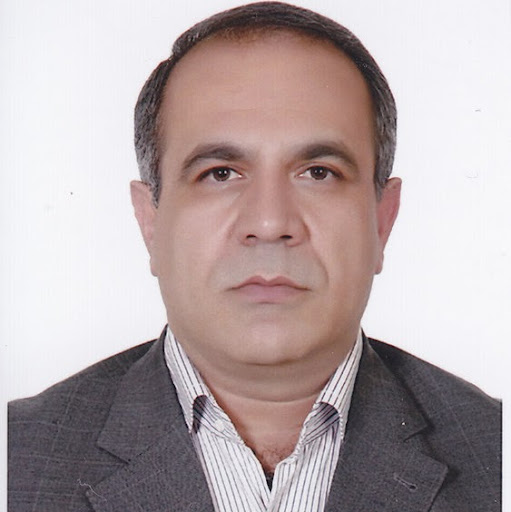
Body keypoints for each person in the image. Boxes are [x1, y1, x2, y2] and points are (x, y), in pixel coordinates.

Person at [8, 2, 501, 511]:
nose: (269, 223)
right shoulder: (19, 460)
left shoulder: (494, 455)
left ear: (382, 220)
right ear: (150, 220)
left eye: (318, 173)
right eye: (219, 173)